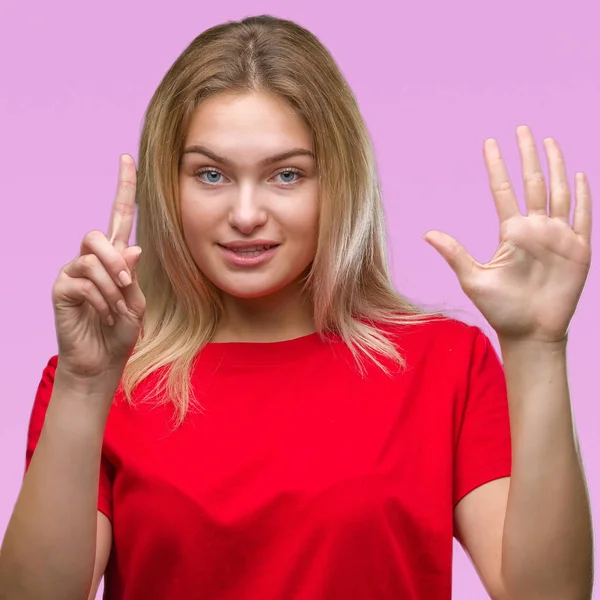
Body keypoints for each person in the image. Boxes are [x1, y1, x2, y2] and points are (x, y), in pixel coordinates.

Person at [0, 14, 594, 600]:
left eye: (286, 175)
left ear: (337, 181)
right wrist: (85, 385)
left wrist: (539, 346)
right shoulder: (100, 377)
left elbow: (547, 594)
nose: (247, 213)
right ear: (167, 186)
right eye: (211, 174)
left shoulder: (444, 363)